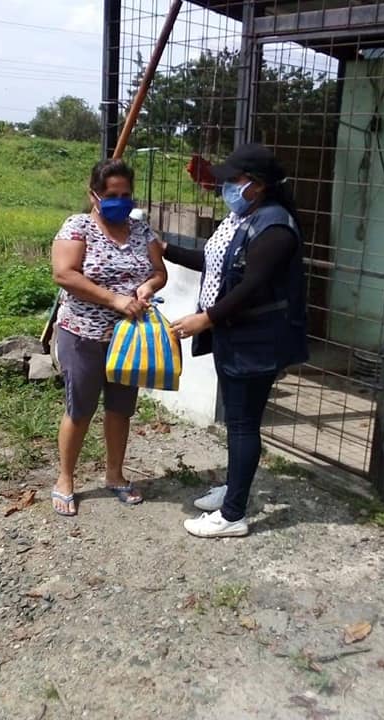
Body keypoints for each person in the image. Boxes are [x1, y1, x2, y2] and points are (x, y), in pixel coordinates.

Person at [164, 144, 308, 538]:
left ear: (256, 185)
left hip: (257, 340)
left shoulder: (275, 228)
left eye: (233, 179)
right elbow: (217, 265)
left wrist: (205, 319)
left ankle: (232, 516)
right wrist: (166, 250)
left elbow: (251, 288)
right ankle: (234, 490)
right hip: (236, 335)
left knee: (243, 424)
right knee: (237, 421)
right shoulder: (245, 218)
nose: (225, 186)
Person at [50, 159, 167, 516]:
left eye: (126, 194)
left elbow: (159, 271)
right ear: (94, 195)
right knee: (80, 408)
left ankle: (115, 475)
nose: (121, 201)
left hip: (129, 337)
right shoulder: (78, 227)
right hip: (83, 333)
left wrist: (148, 287)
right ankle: (65, 478)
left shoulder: (141, 230)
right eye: (112, 195)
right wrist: (114, 299)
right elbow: (64, 274)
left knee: (120, 409)